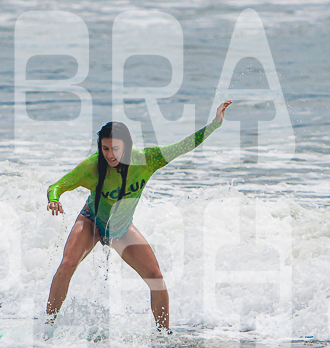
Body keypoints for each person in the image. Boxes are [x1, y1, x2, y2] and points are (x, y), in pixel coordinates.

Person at [46, 100, 233, 331]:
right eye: (105, 149)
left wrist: (215, 124)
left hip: (121, 229)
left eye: (115, 148)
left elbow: (183, 146)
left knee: (156, 278)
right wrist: (54, 199)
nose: (110, 155)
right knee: (67, 264)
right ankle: (48, 327)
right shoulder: (93, 166)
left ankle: (163, 335)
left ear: (127, 145)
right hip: (92, 221)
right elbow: (58, 185)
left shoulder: (146, 160)